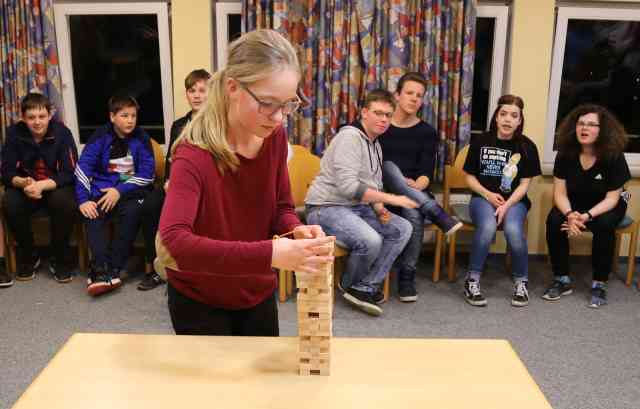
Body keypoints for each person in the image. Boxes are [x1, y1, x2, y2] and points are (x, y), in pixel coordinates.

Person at [156, 29, 333, 337]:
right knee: (214, 385)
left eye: (287, 104)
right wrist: (272, 254)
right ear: (233, 87)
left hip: (255, 291)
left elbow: (280, 207)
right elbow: (176, 240)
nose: (278, 117)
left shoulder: (273, 135)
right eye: (267, 103)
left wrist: (295, 229)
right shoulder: (193, 154)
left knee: (263, 384)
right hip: (200, 298)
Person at [305, 89, 415, 317]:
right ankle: (350, 285)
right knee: (371, 240)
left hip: (356, 207)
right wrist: (390, 199)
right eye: (378, 113)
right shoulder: (350, 137)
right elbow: (348, 187)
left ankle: (364, 286)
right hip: (325, 207)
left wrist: (379, 207)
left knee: (402, 228)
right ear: (364, 112)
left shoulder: (375, 144)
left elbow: (371, 184)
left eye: (387, 114)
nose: (383, 119)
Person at [379, 72, 462, 302]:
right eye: (409, 93)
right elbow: (376, 169)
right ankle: (438, 214)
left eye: (419, 95)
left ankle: (407, 276)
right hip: (383, 192)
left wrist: (416, 185)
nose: (414, 99)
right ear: (397, 95)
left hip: (413, 192)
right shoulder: (382, 126)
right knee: (389, 167)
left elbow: (426, 174)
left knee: (413, 209)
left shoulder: (427, 133)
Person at [543, 104, 630, 308]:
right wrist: (570, 214)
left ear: (602, 130)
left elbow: (612, 199)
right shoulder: (565, 154)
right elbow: (560, 193)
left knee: (605, 224)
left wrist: (587, 216)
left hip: (608, 204)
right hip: (575, 201)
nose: (584, 128)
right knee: (555, 219)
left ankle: (599, 283)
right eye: (581, 123)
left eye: (591, 124)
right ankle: (562, 279)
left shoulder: (613, 156)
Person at [461, 94, 541, 307]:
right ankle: (472, 280)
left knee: (514, 230)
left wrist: (506, 205)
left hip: (515, 201)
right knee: (487, 226)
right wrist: (487, 194)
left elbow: (524, 184)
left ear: (520, 121)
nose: (507, 119)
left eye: (514, 115)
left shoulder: (527, 147)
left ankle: (521, 282)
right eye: (503, 114)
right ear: (496, 117)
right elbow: (469, 177)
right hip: (482, 198)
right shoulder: (481, 141)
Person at [75, 94, 155, 296]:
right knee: (92, 214)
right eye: (124, 115)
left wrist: (119, 191)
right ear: (112, 117)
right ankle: (99, 268)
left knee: (132, 214)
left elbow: (148, 175)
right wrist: (84, 201)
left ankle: (114, 268)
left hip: (130, 192)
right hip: (102, 191)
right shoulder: (99, 136)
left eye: (133, 116)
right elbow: (83, 169)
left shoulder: (142, 137)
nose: (130, 120)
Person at [139, 69, 211, 291]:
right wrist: (170, 180)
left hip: (205, 188)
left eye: (202, 90)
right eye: (192, 91)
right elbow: (172, 157)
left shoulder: (217, 123)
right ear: (187, 94)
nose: (197, 95)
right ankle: (158, 267)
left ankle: (193, 270)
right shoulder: (178, 124)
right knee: (150, 206)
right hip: (177, 185)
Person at [1, 93, 79, 283]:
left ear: (49, 115)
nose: (37, 122)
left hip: (53, 186)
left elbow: (70, 172)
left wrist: (42, 185)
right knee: (10, 202)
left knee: (64, 201)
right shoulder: (13, 133)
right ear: (23, 117)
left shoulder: (62, 133)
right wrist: (23, 183)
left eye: (41, 116)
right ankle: (29, 254)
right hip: (25, 187)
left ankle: (59, 256)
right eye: (31, 117)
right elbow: (6, 171)